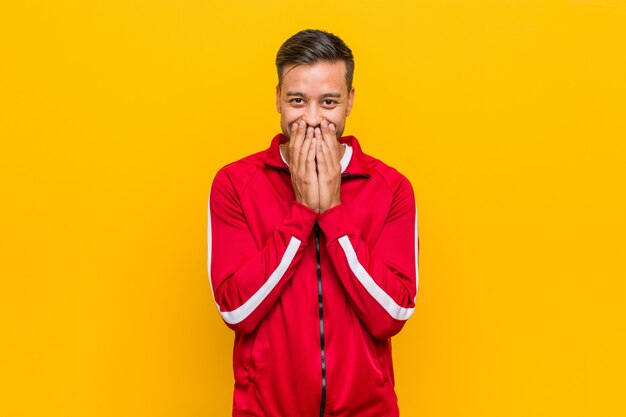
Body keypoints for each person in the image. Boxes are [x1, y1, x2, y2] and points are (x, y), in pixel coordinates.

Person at [207, 29, 419, 417]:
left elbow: (391, 314)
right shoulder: (235, 184)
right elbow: (237, 310)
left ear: (350, 102)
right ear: (277, 100)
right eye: (298, 101)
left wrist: (334, 213)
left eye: (329, 101)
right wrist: (302, 213)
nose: (313, 119)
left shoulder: (392, 188)